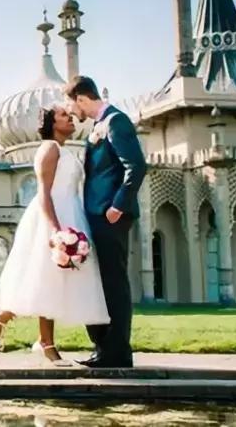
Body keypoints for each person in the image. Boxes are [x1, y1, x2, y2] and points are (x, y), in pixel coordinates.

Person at [0, 104, 109, 366]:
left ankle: (36, 337)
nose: (71, 118)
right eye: (64, 115)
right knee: (43, 277)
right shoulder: (49, 148)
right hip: (51, 217)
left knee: (53, 282)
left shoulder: (66, 150)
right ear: (52, 123)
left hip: (72, 214)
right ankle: (18, 326)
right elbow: (43, 192)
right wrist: (55, 229)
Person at [65, 75, 147, 368]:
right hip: (97, 215)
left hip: (110, 216)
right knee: (101, 282)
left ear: (81, 99)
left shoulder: (115, 122)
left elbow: (136, 166)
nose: (71, 110)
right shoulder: (98, 126)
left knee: (114, 283)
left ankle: (118, 351)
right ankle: (105, 348)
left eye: (71, 104)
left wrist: (117, 206)